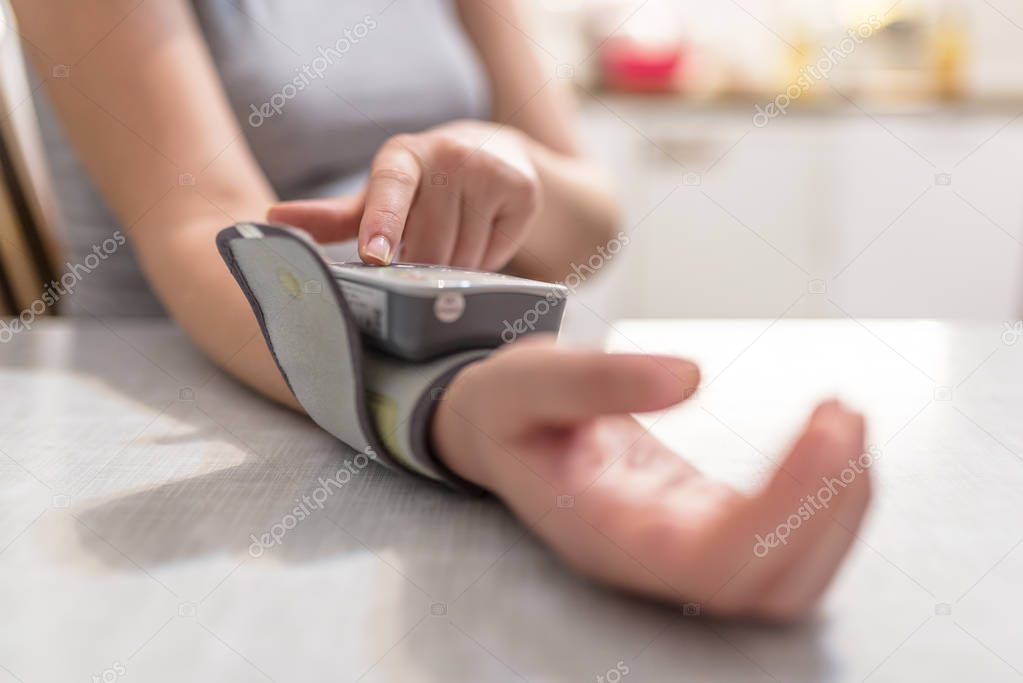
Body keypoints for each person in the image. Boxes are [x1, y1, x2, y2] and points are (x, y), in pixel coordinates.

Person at [12, 0, 870, 620]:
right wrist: (441, 400)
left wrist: (508, 158)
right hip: (184, 412)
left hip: (433, 378)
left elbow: (589, 226)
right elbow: (203, 231)